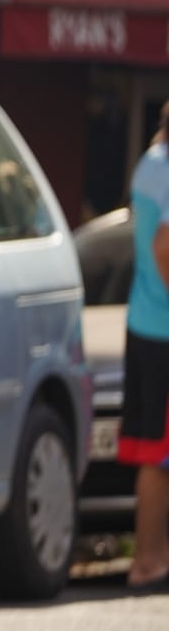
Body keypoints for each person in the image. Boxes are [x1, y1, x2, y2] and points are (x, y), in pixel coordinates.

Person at [120, 101, 169, 590]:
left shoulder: (151, 163)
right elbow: (165, 246)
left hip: (143, 321)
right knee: (161, 456)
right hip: (164, 328)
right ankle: (151, 562)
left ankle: (149, 558)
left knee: (155, 453)